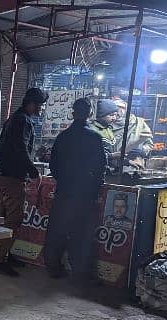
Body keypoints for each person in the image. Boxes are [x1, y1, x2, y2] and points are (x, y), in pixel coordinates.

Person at [44, 98, 107, 281]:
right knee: (81, 234)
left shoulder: (63, 137)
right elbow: (101, 167)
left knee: (58, 231)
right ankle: (80, 272)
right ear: (89, 113)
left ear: (73, 113)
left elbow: (53, 165)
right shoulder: (94, 137)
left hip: (64, 192)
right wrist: (94, 189)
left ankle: (54, 268)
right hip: (85, 194)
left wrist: (64, 181)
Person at [0, 87, 49, 276]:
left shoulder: (16, 118)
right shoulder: (23, 120)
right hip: (13, 177)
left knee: (6, 218)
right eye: (40, 106)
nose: (41, 110)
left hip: (5, 174)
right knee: (13, 219)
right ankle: (0, 260)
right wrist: (33, 172)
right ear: (32, 104)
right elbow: (21, 149)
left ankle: (4, 254)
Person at [111, 98, 154, 167]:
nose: (120, 111)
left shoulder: (138, 123)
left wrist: (142, 151)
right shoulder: (107, 124)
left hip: (136, 164)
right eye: (117, 108)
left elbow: (149, 144)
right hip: (114, 165)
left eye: (123, 108)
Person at [90, 99, 119, 167]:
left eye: (115, 115)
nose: (114, 118)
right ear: (101, 115)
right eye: (111, 115)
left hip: (109, 170)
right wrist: (111, 156)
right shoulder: (93, 130)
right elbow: (90, 155)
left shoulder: (108, 129)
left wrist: (129, 162)